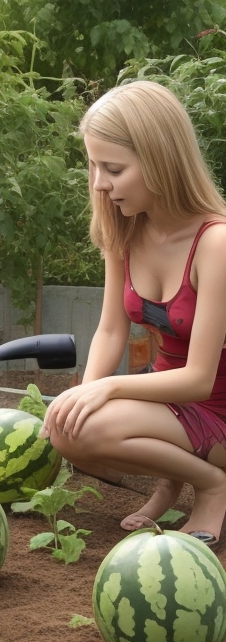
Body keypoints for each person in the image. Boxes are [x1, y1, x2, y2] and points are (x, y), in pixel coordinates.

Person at [43, 80, 226, 546]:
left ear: (160, 160)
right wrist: (79, 401)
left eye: (114, 168)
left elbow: (200, 379)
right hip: (167, 405)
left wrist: (106, 388)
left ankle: (211, 485)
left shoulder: (215, 243)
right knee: (72, 433)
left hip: (215, 408)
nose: (100, 184)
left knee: (91, 427)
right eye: (93, 167)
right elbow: (109, 330)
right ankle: (172, 482)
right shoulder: (125, 230)